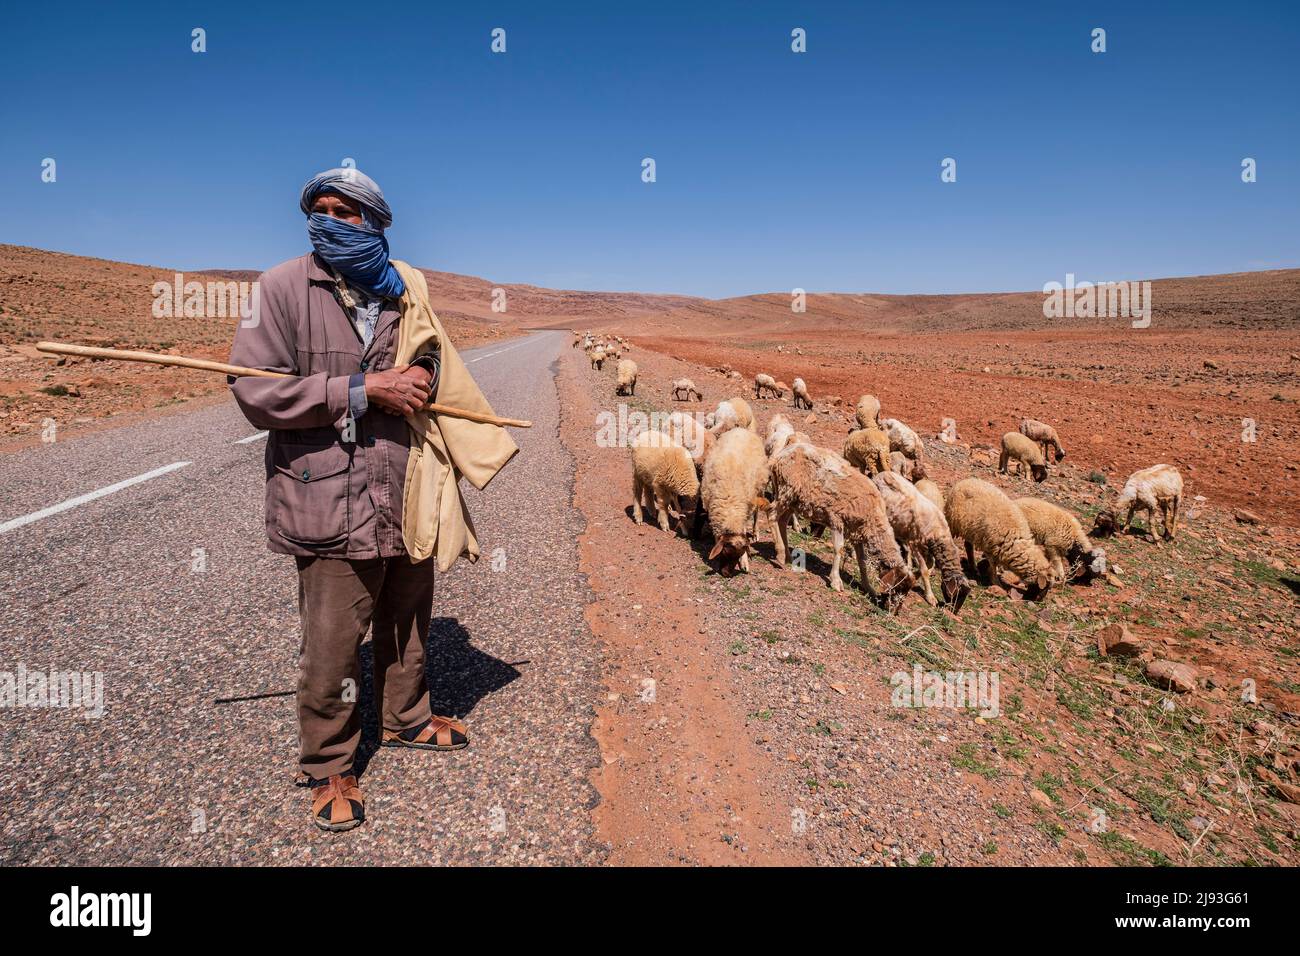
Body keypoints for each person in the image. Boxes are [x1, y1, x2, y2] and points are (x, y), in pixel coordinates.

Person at [228, 167, 515, 832]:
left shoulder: (404, 286)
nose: (329, 220)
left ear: (376, 222)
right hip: (326, 493)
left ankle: (408, 717)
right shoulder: (279, 287)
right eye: (320, 209)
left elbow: (431, 356)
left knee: (409, 613)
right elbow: (254, 392)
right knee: (332, 639)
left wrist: (419, 373)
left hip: (406, 480)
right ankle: (329, 764)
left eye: (346, 212)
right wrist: (359, 390)